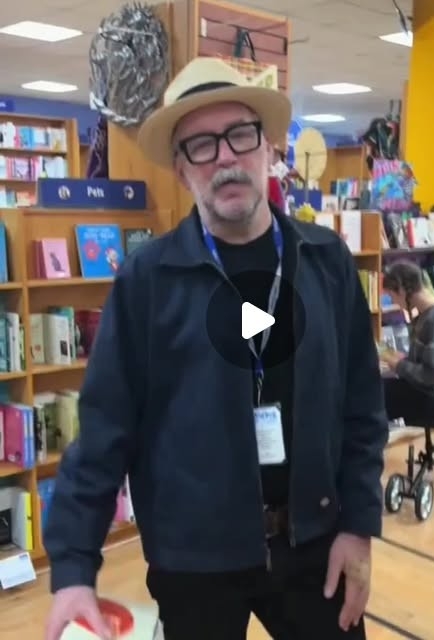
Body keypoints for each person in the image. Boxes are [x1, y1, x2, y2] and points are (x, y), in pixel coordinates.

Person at [43, 56, 388, 640]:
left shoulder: (326, 262)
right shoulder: (147, 281)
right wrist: (74, 568)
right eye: (201, 145)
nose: (225, 157)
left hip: (315, 546)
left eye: (240, 135)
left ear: (269, 148)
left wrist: (358, 527)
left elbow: (362, 405)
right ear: (182, 169)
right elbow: (104, 430)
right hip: (194, 562)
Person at [380, 260, 434, 423]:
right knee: (375, 390)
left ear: (402, 290)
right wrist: (402, 359)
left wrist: (399, 365)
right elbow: (427, 363)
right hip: (429, 391)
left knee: (372, 397)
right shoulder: (427, 315)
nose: (394, 303)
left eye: (392, 296)